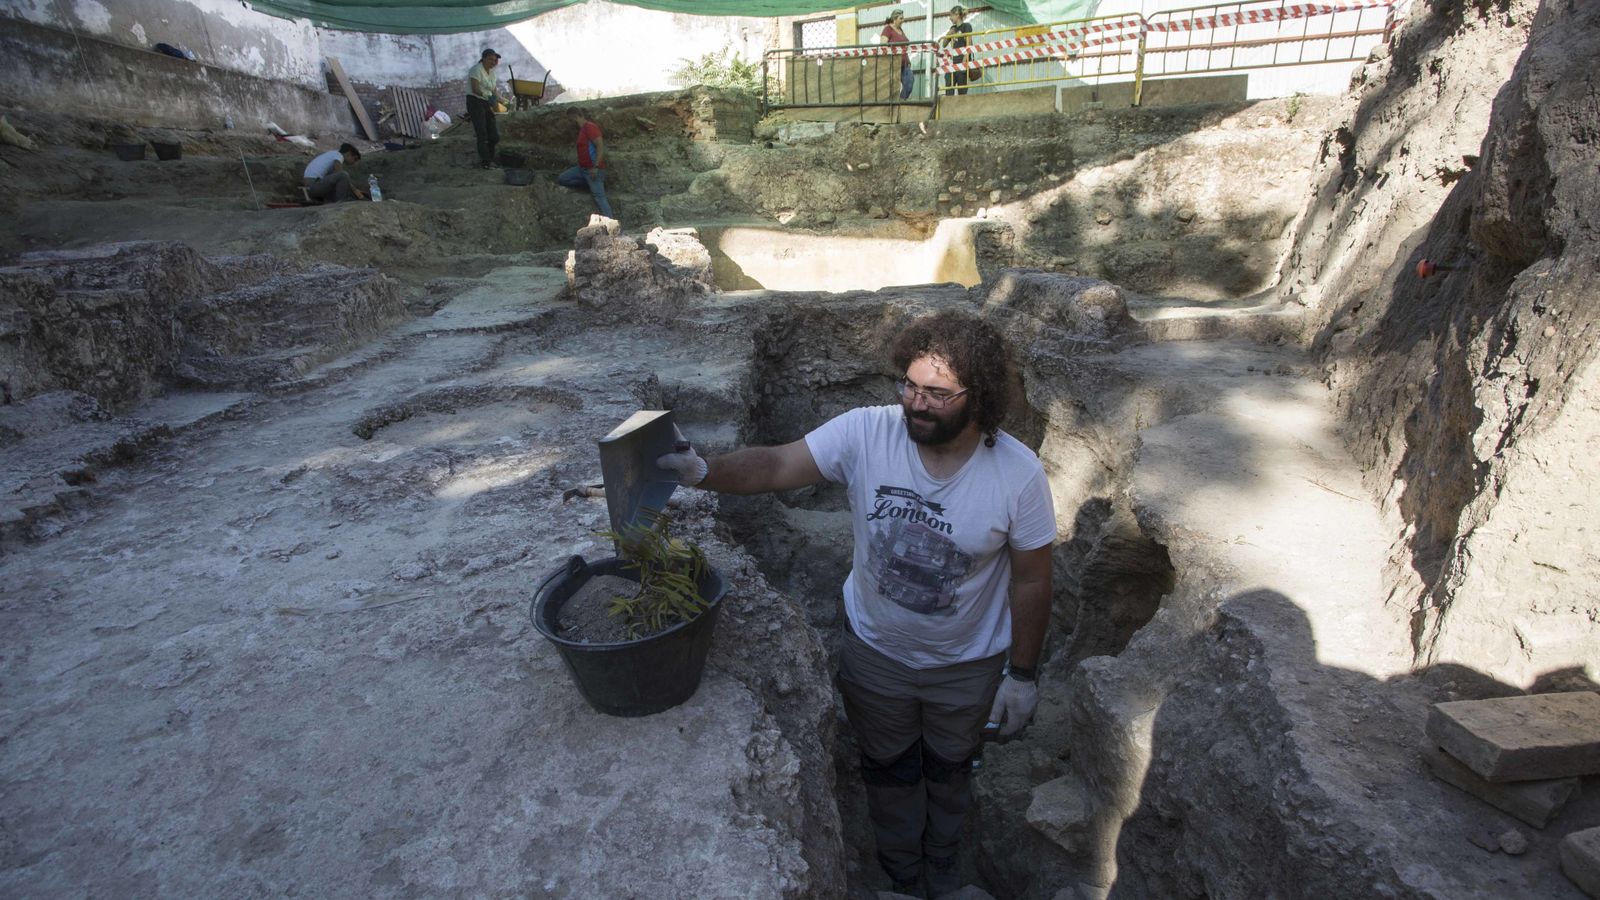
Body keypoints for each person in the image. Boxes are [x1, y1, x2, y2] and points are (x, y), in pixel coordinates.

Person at [657, 310, 1055, 898]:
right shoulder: (869, 432)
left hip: (967, 665)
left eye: (938, 394)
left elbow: (1031, 580)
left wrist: (1021, 675)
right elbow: (777, 464)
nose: (917, 404)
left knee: (950, 770)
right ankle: (900, 874)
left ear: (982, 398)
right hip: (876, 654)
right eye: (911, 386)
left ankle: (944, 865)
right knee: (888, 768)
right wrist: (703, 471)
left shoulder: (1019, 475)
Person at [556, 106, 614, 218]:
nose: (570, 123)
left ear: (575, 116)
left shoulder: (590, 128)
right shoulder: (582, 130)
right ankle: (589, 184)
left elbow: (600, 146)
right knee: (562, 179)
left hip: (593, 169)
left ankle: (613, 225)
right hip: (582, 169)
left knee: (600, 198)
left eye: (570, 119)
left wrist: (596, 166)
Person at [467, 48, 503, 169]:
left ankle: (491, 159)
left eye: (495, 60)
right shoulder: (476, 69)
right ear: (483, 58)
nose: (493, 62)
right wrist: (487, 96)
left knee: (493, 135)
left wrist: (504, 101)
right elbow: (475, 89)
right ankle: (486, 162)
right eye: (490, 59)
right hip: (475, 101)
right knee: (482, 132)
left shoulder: (492, 73)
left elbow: (494, 91)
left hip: (485, 102)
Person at [881, 9, 915, 101]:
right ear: (894, 19)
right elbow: (883, 45)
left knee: (909, 83)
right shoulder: (888, 29)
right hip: (893, 64)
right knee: (892, 89)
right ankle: (895, 104)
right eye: (901, 18)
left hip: (904, 64)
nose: (903, 20)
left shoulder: (900, 29)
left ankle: (900, 102)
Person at [942, 6, 975, 96]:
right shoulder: (953, 28)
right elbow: (944, 44)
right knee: (949, 84)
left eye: (951, 15)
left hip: (962, 62)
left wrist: (965, 60)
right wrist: (948, 34)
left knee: (962, 89)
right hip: (952, 63)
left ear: (957, 15)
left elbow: (969, 44)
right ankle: (949, 106)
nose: (950, 18)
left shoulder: (966, 26)